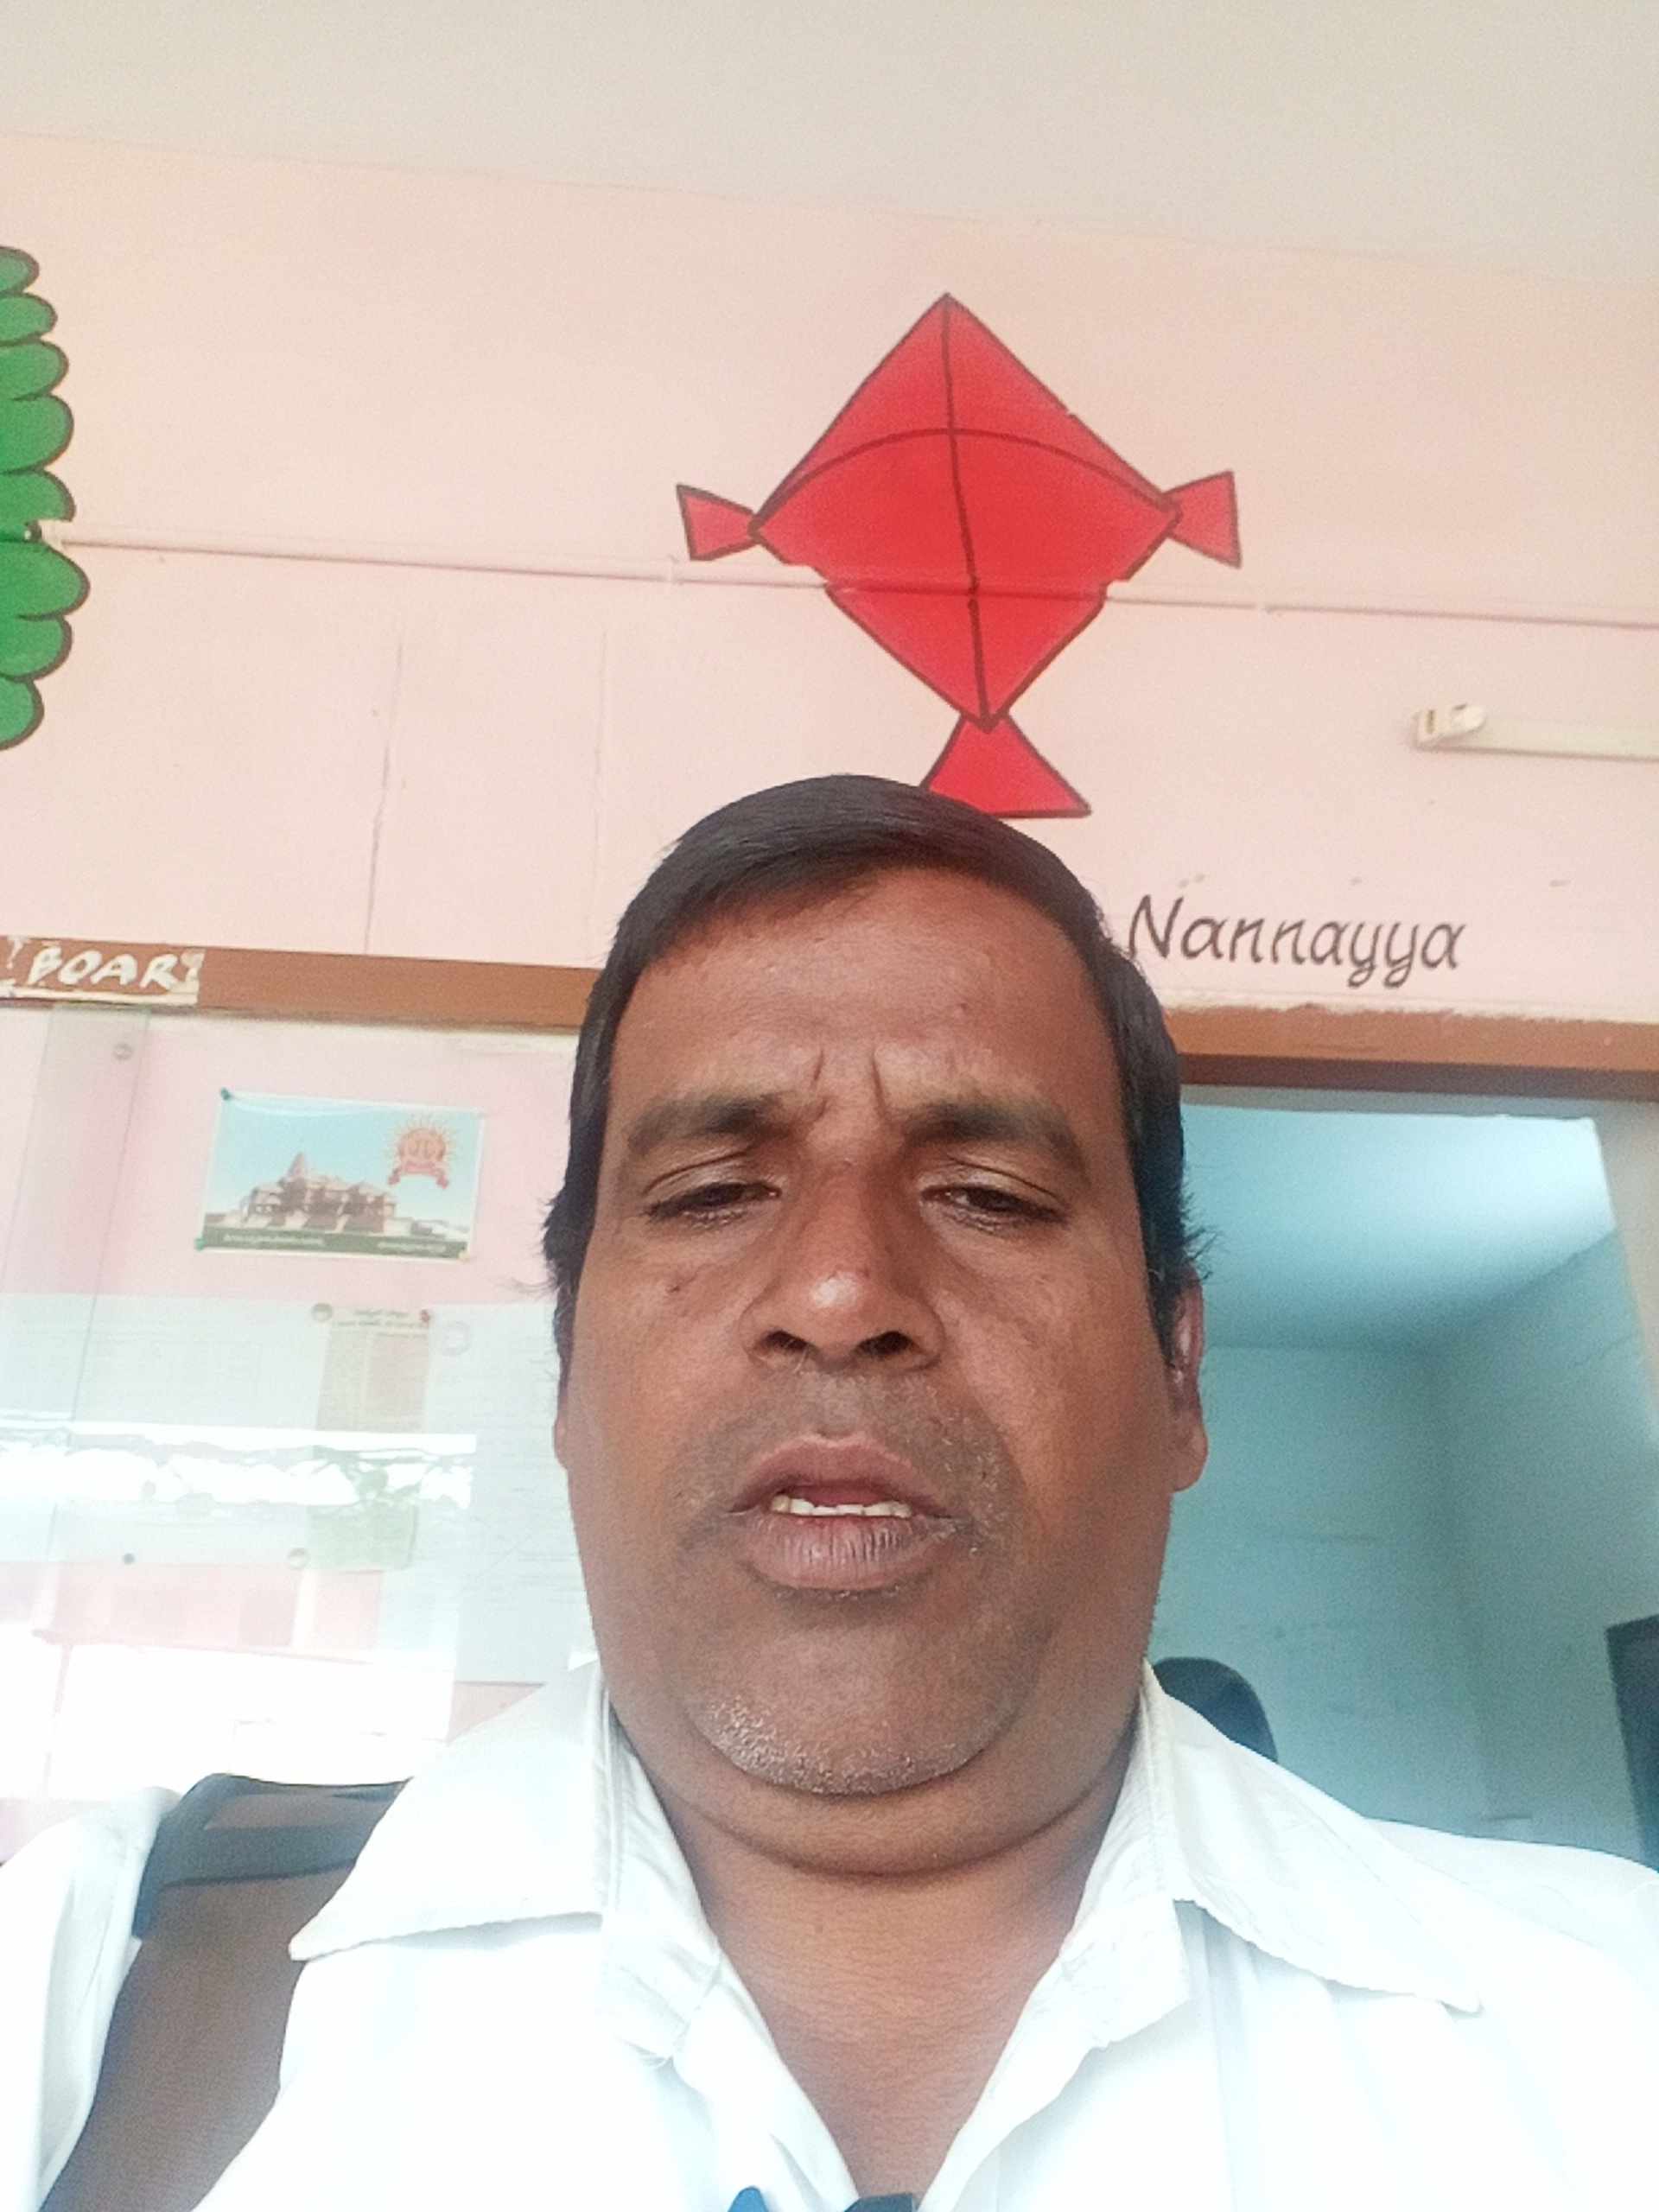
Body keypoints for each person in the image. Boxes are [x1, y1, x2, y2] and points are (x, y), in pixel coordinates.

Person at [6, 773, 1656, 2211]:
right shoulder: (107, 1981)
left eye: (990, 1193)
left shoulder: (1609, 2027)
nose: (843, 1288)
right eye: (713, 1192)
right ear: (567, 1375)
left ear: (1178, 1372)